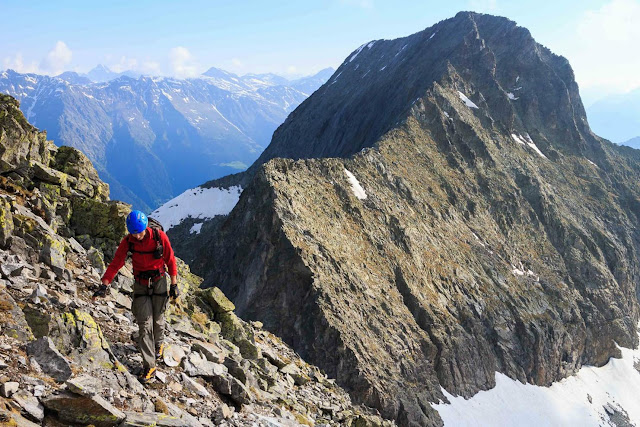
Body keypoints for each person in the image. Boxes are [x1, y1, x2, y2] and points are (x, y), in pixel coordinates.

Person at [92, 210, 179, 384]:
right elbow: (117, 262)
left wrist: (174, 284)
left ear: (146, 227)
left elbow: (170, 260)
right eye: (134, 233)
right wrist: (104, 284)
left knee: (158, 319)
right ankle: (150, 366)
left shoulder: (159, 237)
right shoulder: (128, 242)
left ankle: (158, 343)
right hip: (140, 284)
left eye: (140, 232)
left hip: (159, 281)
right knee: (145, 324)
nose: (138, 236)